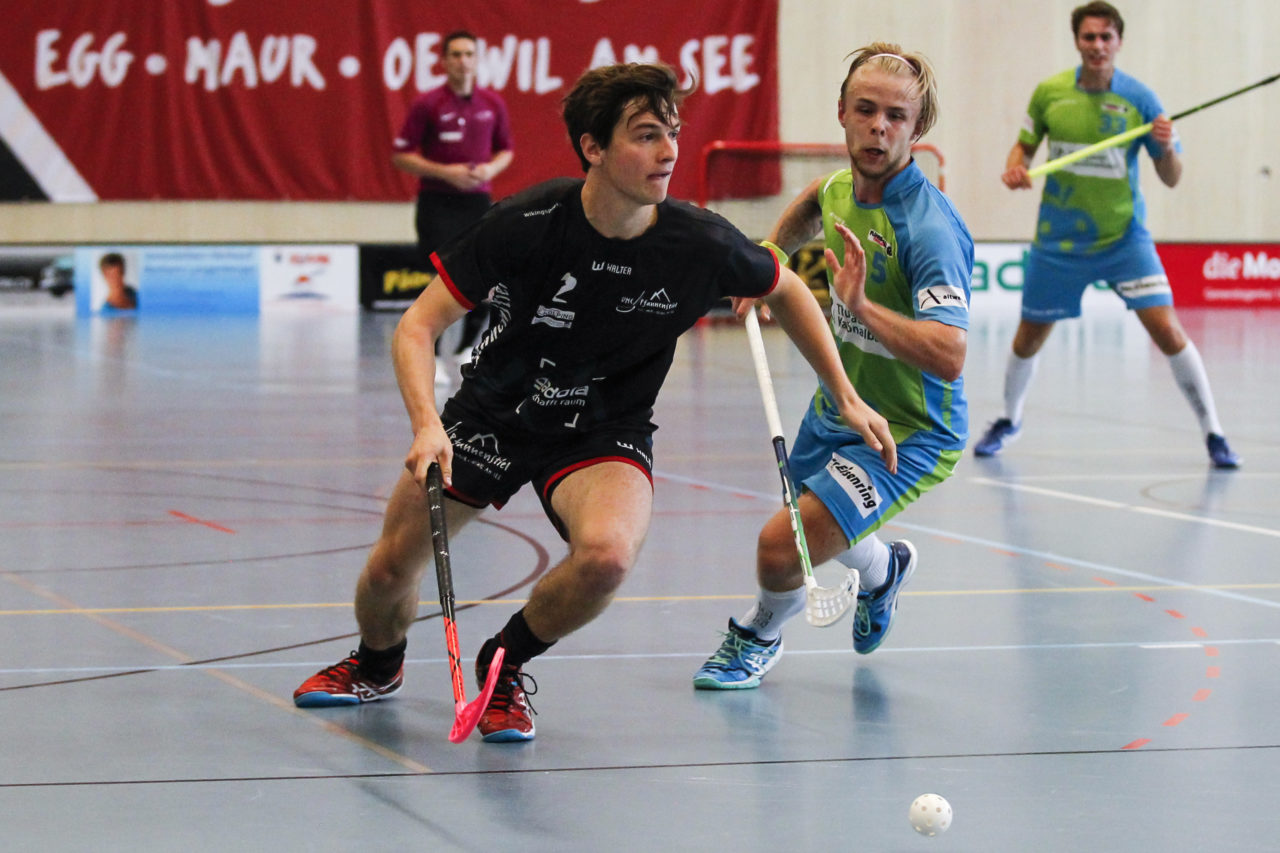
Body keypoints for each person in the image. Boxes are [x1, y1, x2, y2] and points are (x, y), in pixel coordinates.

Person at [293, 63, 897, 742]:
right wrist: (427, 424)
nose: (668, 151)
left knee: (607, 555)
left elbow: (785, 287)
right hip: (495, 413)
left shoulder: (698, 243)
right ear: (593, 147)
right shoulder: (527, 222)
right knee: (388, 568)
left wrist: (844, 395)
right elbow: (416, 326)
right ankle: (377, 664)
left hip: (604, 428)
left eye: (671, 133)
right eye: (645, 135)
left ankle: (504, 662)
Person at [693, 43, 972, 689]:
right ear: (842, 112)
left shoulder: (929, 230)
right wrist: (769, 258)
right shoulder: (845, 185)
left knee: (781, 544)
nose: (879, 127)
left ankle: (757, 636)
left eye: (897, 116)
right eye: (866, 110)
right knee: (818, 521)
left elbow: (951, 355)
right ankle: (884, 571)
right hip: (837, 404)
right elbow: (817, 200)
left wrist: (862, 306)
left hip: (907, 430)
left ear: (918, 128)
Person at [974, 1, 1241, 469]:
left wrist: (1163, 147)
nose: (1098, 45)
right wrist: (1017, 166)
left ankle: (1214, 433)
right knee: (1028, 337)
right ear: (1077, 40)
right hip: (1058, 242)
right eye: (1089, 37)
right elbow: (1024, 145)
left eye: (1106, 37)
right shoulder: (1049, 94)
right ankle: (1009, 420)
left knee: (1168, 331)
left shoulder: (1142, 101)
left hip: (1124, 241)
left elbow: (1172, 176)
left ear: (1119, 41)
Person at [391, 30, 513, 389]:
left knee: (484, 275)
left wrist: (490, 169)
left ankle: (464, 350)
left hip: (477, 202)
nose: (463, 61)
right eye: (456, 54)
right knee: (439, 278)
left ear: (477, 59)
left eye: (469, 54)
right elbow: (402, 155)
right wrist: (446, 172)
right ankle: (433, 352)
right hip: (438, 203)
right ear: (444, 61)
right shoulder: (428, 104)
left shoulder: (492, 104)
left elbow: (505, 149)